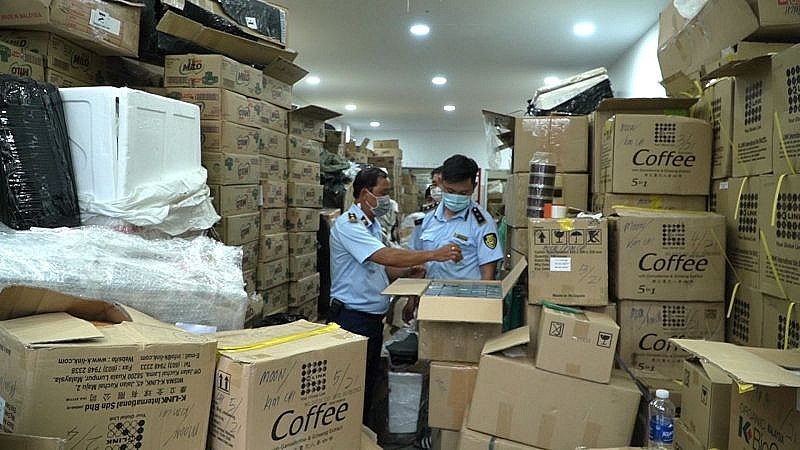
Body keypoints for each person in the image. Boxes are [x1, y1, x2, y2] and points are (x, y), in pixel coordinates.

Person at [328, 167, 463, 428]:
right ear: (364, 194)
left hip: (370, 320)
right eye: (383, 193)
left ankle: (362, 434)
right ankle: (348, 435)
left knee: (365, 385)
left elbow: (386, 269)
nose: (387, 200)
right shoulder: (349, 225)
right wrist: (433, 254)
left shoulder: (372, 226)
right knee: (349, 388)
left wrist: (410, 271)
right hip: (351, 319)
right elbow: (384, 256)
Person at [412, 154, 503, 281]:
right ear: (441, 183)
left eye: (463, 193)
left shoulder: (483, 223)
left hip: (464, 292)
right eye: (450, 191)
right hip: (430, 290)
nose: (456, 197)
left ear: (474, 187)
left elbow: (488, 275)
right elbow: (417, 258)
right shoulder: (428, 218)